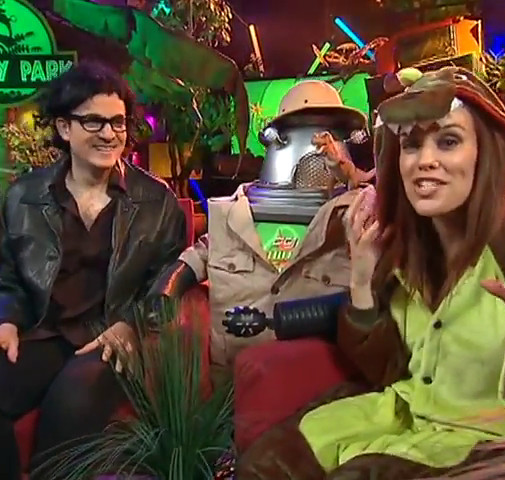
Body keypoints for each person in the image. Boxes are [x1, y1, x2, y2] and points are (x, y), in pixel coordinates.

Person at [236, 66, 505, 480]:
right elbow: (385, 373)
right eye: (411, 145)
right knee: (266, 464)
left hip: (483, 445)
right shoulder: (402, 241)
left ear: (486, 153)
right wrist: (362, 280)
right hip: (397, 413)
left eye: (448, 141)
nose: (425, 161)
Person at [0, 61, 188, 480]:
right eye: (93, 121)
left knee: (71, 403)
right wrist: (1, 322)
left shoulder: (156, 201)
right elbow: (9, 279)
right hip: (44, 332)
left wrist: (132, 326)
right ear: (64, 128)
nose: (109, 134)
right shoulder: (24, 196)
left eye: (118, 122)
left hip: (111, 334)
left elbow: (167, 281)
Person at [152, 80, 375, 388]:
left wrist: (357, 183)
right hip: (232, 387)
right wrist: (167, 288)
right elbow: (200, 254)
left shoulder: (357, 217)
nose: (321, 149)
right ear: (275, 140)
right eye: (308, 133)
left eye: (331, 135)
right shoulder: (235, 215)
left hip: (323, 388)